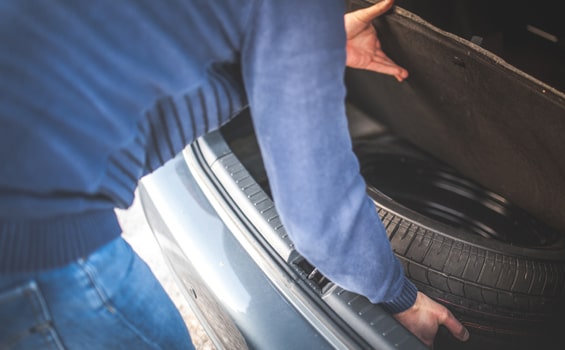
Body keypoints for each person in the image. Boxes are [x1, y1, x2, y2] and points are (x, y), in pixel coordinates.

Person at [0, 0, 469, 348]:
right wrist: (400, 296)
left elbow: (150, 60)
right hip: (34, 248)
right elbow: (317, 210)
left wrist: (307, 43)